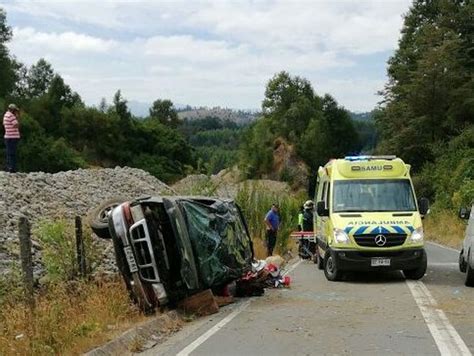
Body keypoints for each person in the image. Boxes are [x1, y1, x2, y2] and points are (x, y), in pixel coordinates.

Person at [3, 104, 20, 173]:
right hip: (12, 136)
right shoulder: (11, 116)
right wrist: (17, 117)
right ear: (12, 110)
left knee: (9, 152)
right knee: (12, 153)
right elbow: (16, 125)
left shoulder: (6, 114)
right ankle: (12, 168)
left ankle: (9, 167)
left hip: (8, 136)